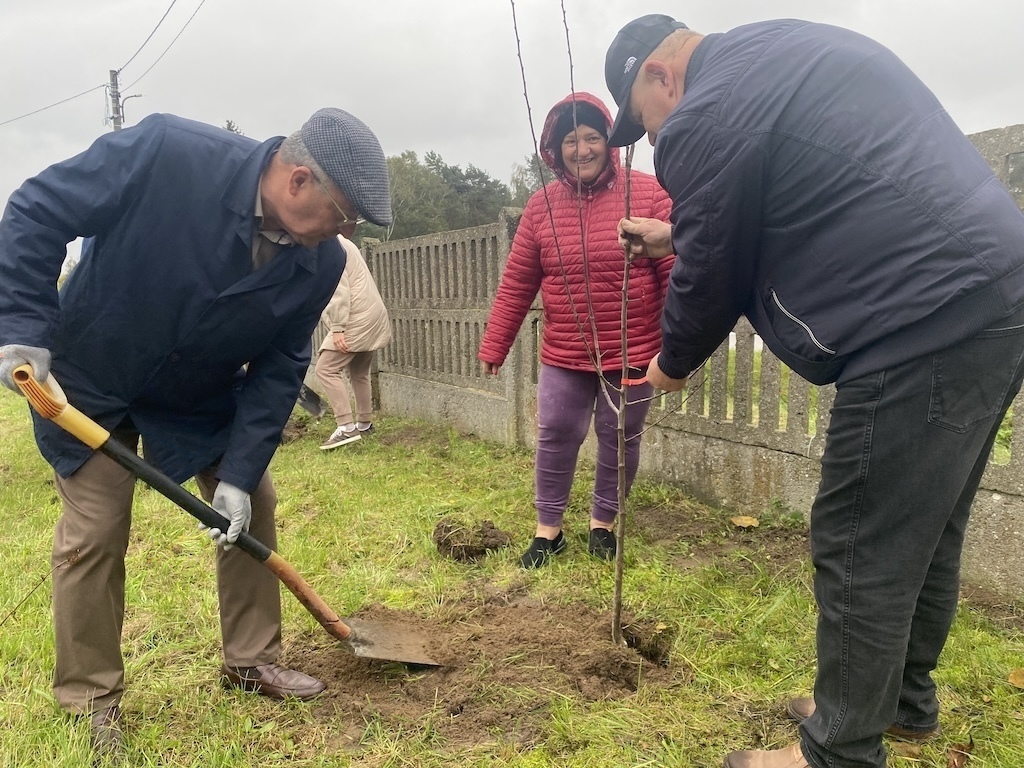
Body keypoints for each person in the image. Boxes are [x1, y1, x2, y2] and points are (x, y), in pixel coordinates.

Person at [604, 13, 1024, 768]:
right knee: (924, 527)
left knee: (860, 534)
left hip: (918, 314)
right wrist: (674, 234)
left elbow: (715, 274)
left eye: (645, 123)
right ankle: (894, 703)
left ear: (659, 76)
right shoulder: (776, 49)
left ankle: (838, 751)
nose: (658, 140)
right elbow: (779, 188)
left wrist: (668, 364)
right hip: (992, 292)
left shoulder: (705, 113)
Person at [0, 107, 392, 755]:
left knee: (255, 501)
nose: (344, 232)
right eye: (344, 215)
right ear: (298, 182)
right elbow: (40, 209)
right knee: (95, 531)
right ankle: (91, 697)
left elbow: (281, 366)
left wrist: (236, 477)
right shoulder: (166, 153)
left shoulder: (319, 263)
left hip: (195, 395)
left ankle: (250, 660)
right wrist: (22, 327)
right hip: (92, 380)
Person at [478, 92, 673, 569]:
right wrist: (495, 344)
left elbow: (674, 272)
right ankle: (549, 531)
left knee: (620, 434)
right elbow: (518, 281)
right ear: (555, 148)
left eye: (592, 137)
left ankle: (602, 524)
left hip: (633, 347)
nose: (582, 148)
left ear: (609, 140)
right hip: (565, 350)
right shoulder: (541, 207)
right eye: (570, 139)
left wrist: (677, 346)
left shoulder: (647, 194)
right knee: (557, 431)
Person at [316, 235, 392, 449]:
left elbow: (336, 289)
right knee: (359, 372)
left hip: (354, 316)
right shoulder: (341, 241)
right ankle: (364, 424)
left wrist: (338, 327)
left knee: (326, 368)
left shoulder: (326, 244)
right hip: (371, 312)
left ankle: (346, 428)